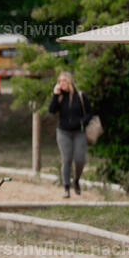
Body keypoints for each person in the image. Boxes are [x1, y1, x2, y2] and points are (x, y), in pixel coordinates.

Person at [49, 71, 93, 199]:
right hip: (63, 132)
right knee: (67, 159)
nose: (61, 83)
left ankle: (76, 180)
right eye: (59, 81)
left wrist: (82, 121)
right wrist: (55, 95)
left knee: (80, 159)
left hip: (79, 132)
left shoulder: (80, 96)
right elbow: (51, 110)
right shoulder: (59, 97)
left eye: (64, 80)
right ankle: (66, 187)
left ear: (70, 82)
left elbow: (90, 112)